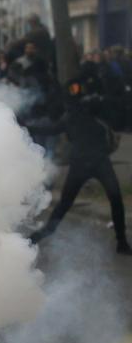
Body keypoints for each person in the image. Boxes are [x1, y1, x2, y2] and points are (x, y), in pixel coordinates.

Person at [27, 78, 132, 254]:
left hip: (97, 162)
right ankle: (43, 233)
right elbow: (51, 129)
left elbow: (115, 110)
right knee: (66, 203)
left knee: (115, 200)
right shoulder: (72, 116)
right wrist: (28, 128)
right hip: (85, 164)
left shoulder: (97, 108)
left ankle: (122, 242)